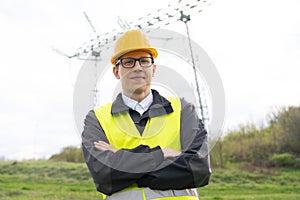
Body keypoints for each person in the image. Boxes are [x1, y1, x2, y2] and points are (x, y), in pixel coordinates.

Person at [82, 29, 211, 200]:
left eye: (144, 61)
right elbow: (104, 176)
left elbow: (198, 170)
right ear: (116, 71)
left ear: (153, 68)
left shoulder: (183, 110)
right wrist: (161, 154)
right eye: (128, 62)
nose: (137, 67)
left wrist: (123, 159)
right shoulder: (97, 119)